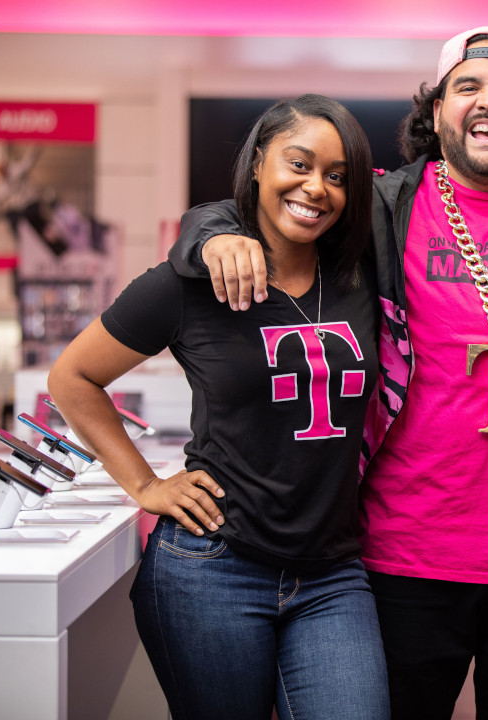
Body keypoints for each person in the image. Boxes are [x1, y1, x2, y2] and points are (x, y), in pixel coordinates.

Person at [169, 27, 488, 720]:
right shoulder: (381, 207)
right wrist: (213, 234)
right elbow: (249, 210)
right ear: (433, 112)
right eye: (468, 86)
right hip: (400, 556)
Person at [48, 95, 389, 720]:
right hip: (212, 569)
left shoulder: (359, 273)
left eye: (338, 176)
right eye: (299, 163)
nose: (316, 188)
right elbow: (72, 378)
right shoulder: (189, 284)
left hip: (333, 573)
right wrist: (145, 485)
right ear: (259, 162)